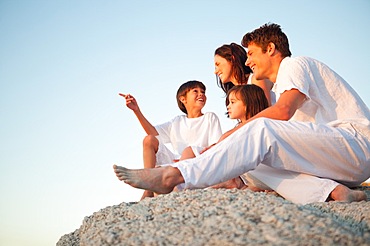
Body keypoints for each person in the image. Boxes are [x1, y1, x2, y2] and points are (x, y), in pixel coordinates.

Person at [114, 23, 369, 203]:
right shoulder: (283, 87)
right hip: (340, 162)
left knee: (259, 130)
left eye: (252, 54)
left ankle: (175, 175)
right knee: (250, 164)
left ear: (270, 49)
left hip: (356, 143)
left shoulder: (294, 64)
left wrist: (232, 135)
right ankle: (332, 192)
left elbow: (281, 112)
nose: (248, 62)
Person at [119, 80, 222, 199]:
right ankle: (148, 186)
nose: (201, 94)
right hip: (175, 162)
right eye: (195, 91)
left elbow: (216, 146)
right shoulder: (177, 121)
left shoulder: (209, 117)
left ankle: (173, 183)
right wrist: (136, 111)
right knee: (149, 139)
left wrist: (185, 160)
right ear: (183, 99)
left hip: (197, 163)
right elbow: (153, 133)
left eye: (203, 92)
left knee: (189, 150)